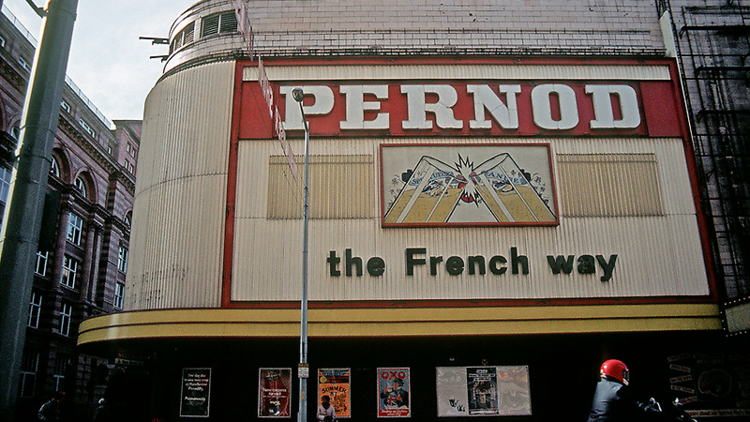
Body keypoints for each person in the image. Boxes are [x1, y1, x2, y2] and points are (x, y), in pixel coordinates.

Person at [587, 359, 660, 422]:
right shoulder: (617, 389)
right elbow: (636, 408)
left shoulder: (597, 386)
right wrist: (655, 412)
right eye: (624, 373)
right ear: (616, 371)